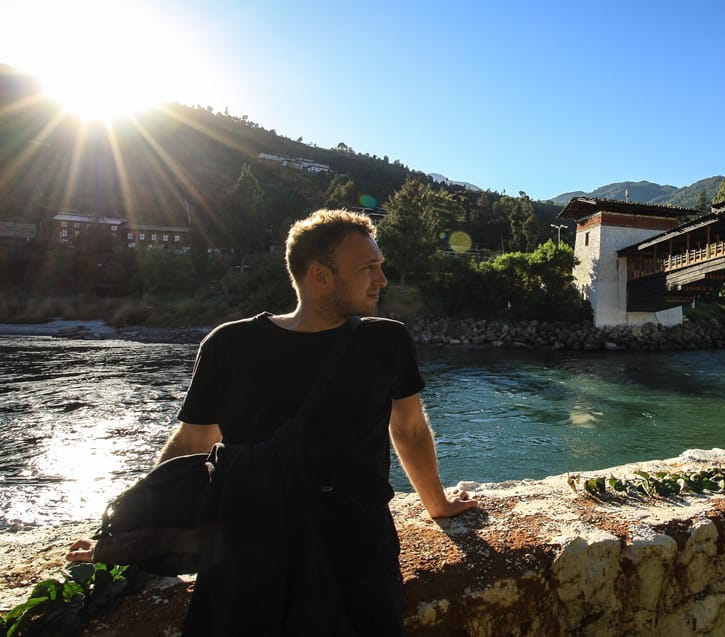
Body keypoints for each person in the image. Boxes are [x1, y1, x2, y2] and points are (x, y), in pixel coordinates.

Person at [69, 209, 477, 635]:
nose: (382, 279)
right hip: (262, 558)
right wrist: (127, 536)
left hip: (343, 556)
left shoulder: (387, 339)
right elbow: (192, 444)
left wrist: (439, 505)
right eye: (368, 268)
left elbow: (408, 430)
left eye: (379, 266)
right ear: (319, 275)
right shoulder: (227, 345)